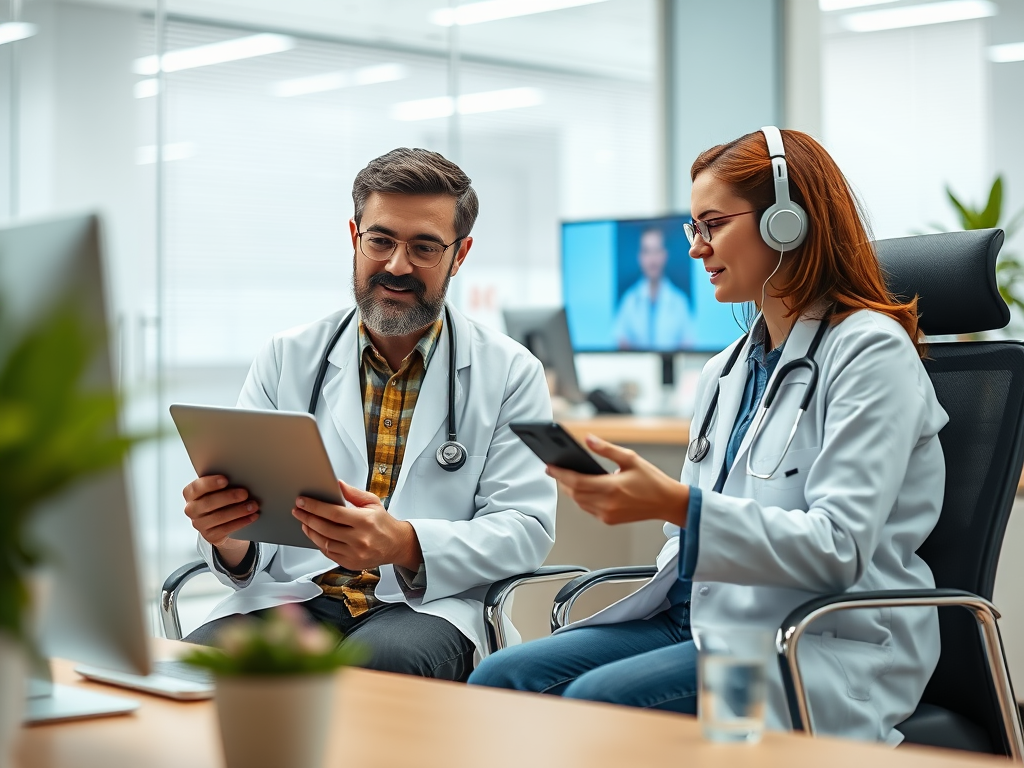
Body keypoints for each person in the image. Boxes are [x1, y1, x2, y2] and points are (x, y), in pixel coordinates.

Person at [469, 127, 946, 744]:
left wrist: (673, 502)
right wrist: (655, 508)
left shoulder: (869, 352)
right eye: (694, 229)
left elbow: (837, 548)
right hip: (700, 622)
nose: (696, 249)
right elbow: (695, 535)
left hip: (808, 647)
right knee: (500, 676)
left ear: (785, 222)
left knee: (599, 705)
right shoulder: (725, 370)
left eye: (712, 224)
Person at [180, 148, 557, 681]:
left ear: (460, 254)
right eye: (380, 240)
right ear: (355, 237)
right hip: (292, 598)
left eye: (424, 247)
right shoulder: (287, 357)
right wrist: (227, 533)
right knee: (197, 668)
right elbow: (250, 539)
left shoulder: (511, 372)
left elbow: (527, 527)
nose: (397, 266)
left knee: (377, 668)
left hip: (424, 606)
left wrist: (402, 542)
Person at [612, 226, 694, 350]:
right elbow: (619, 340)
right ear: (640, 257)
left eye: (657, 251)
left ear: (665, 255)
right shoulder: (629, 301)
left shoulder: (680, 302)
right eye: (647, 251)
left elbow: (689, 343)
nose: (652, 259)